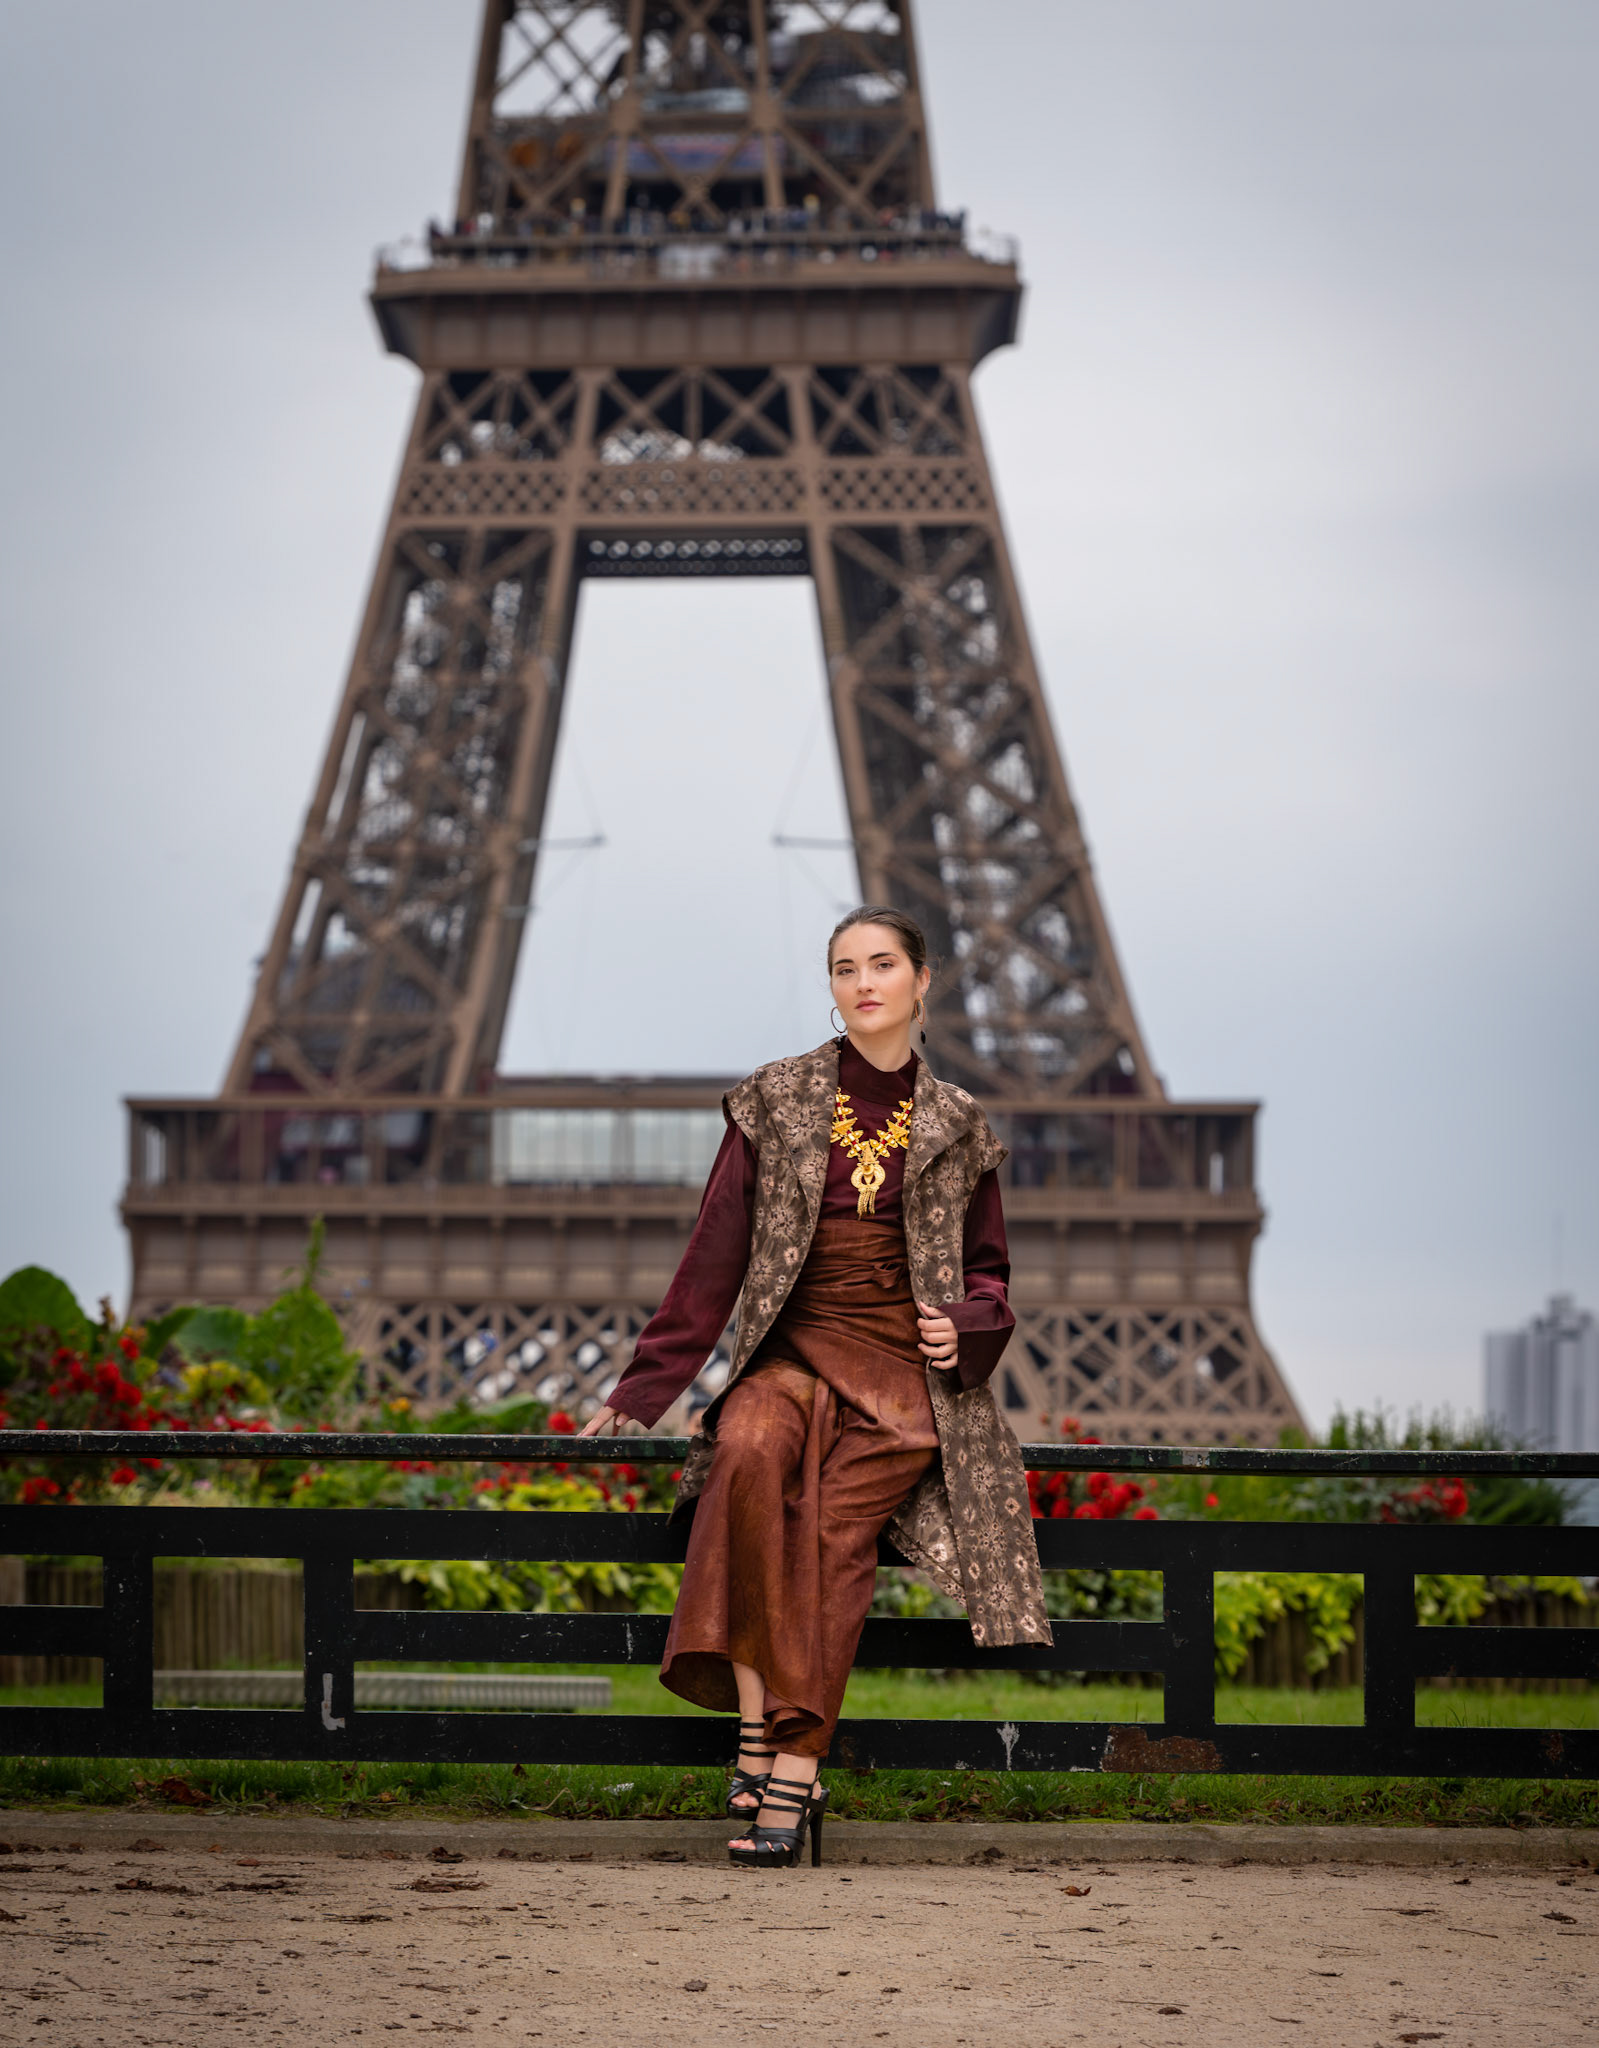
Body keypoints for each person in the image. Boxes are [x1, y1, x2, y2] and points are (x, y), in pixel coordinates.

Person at [579, 907, 1051, 1868]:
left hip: (902, 1375)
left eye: (882, 964)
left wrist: (966, 1324)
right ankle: (763, 1734)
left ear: (922, 980)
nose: (863, 983)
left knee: (832, 1538)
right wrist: (643, 1386)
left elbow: (989, 1271)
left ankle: (787, 1765)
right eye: (844, 968)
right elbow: (715, 1252)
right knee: (745, 1453)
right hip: (791, 1352)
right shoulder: (777, 1096)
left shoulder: (959, 1122)